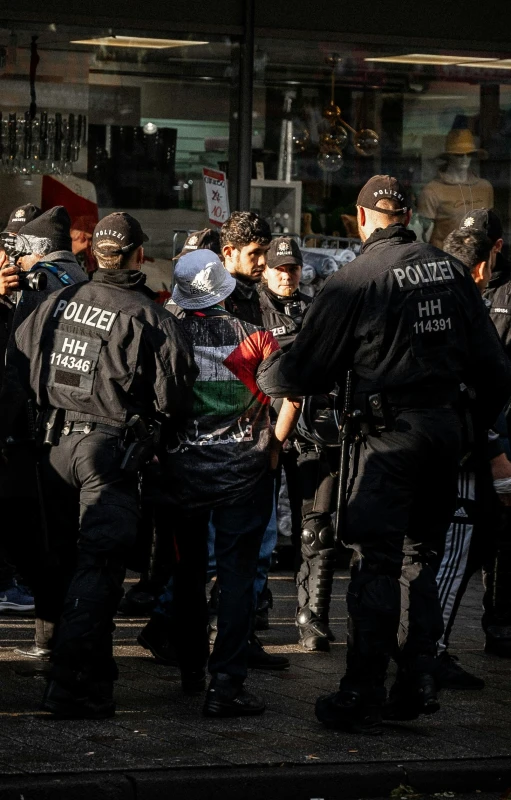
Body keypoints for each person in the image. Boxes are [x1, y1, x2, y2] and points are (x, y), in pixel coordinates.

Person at [257, 174, 511, 733]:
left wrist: (265, 368)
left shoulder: (356, 278)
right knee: (421, 561)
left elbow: (305, 370)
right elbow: (495, 370)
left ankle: (362, 691)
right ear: (405, 216)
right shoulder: (448, 269)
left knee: (377, 562)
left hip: (387, 439)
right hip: (443, 434)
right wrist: (470, 431)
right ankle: (417, 677)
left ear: (361, 216)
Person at [10, 211, 197, 718]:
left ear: (96, 254)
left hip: (49, 451)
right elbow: (177, 396)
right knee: (98, 571)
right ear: (139, 255)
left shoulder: (51, 304)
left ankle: (90, 676)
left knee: (64, 567)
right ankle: (70, 686)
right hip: (107, 454)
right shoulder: (151, 317)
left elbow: (19, 367)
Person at [160, 248, 299, 717]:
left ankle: (190, 670)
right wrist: (275, 447)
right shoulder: (255, 337)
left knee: (188, 572)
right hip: (246, 474)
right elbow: (291, 397)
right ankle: (225, 686)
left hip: (182, 475)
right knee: (238, 578)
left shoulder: (168, 334)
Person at [418, 129, 494, 249]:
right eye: (458, 154)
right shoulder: (432, 191)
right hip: (445, 259)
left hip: (479, 257)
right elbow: (423, 236)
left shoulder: (485, 188)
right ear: (449, 156)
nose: (464, 158)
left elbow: (490, 227)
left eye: (469, 154)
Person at [220, 211, 271, 326]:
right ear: (229, 253)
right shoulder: (212, 297)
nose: (263, 261)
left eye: (265, 252)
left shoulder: (256, 292)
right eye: (255, 253)